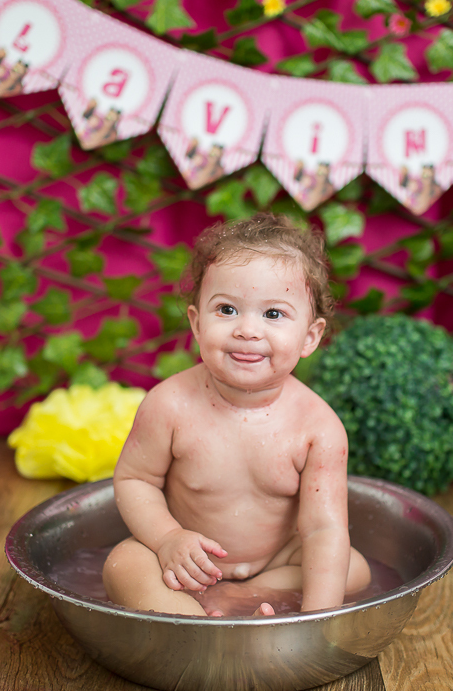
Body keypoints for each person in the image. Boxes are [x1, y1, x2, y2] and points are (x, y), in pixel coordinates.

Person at [103, 213, 371, 616]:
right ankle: (193, 623)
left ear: (309, 337)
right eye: (226, 309)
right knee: (124, 565)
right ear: (196, 323)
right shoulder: (169, 404)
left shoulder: (318, 428)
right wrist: (167, 540)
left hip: (277, 562)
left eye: (273, 314)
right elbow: (134, 479)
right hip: (181, 563)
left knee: (352, 568)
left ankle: (242, 597)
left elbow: (322, 528)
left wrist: (315, 620)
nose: (247, 330)